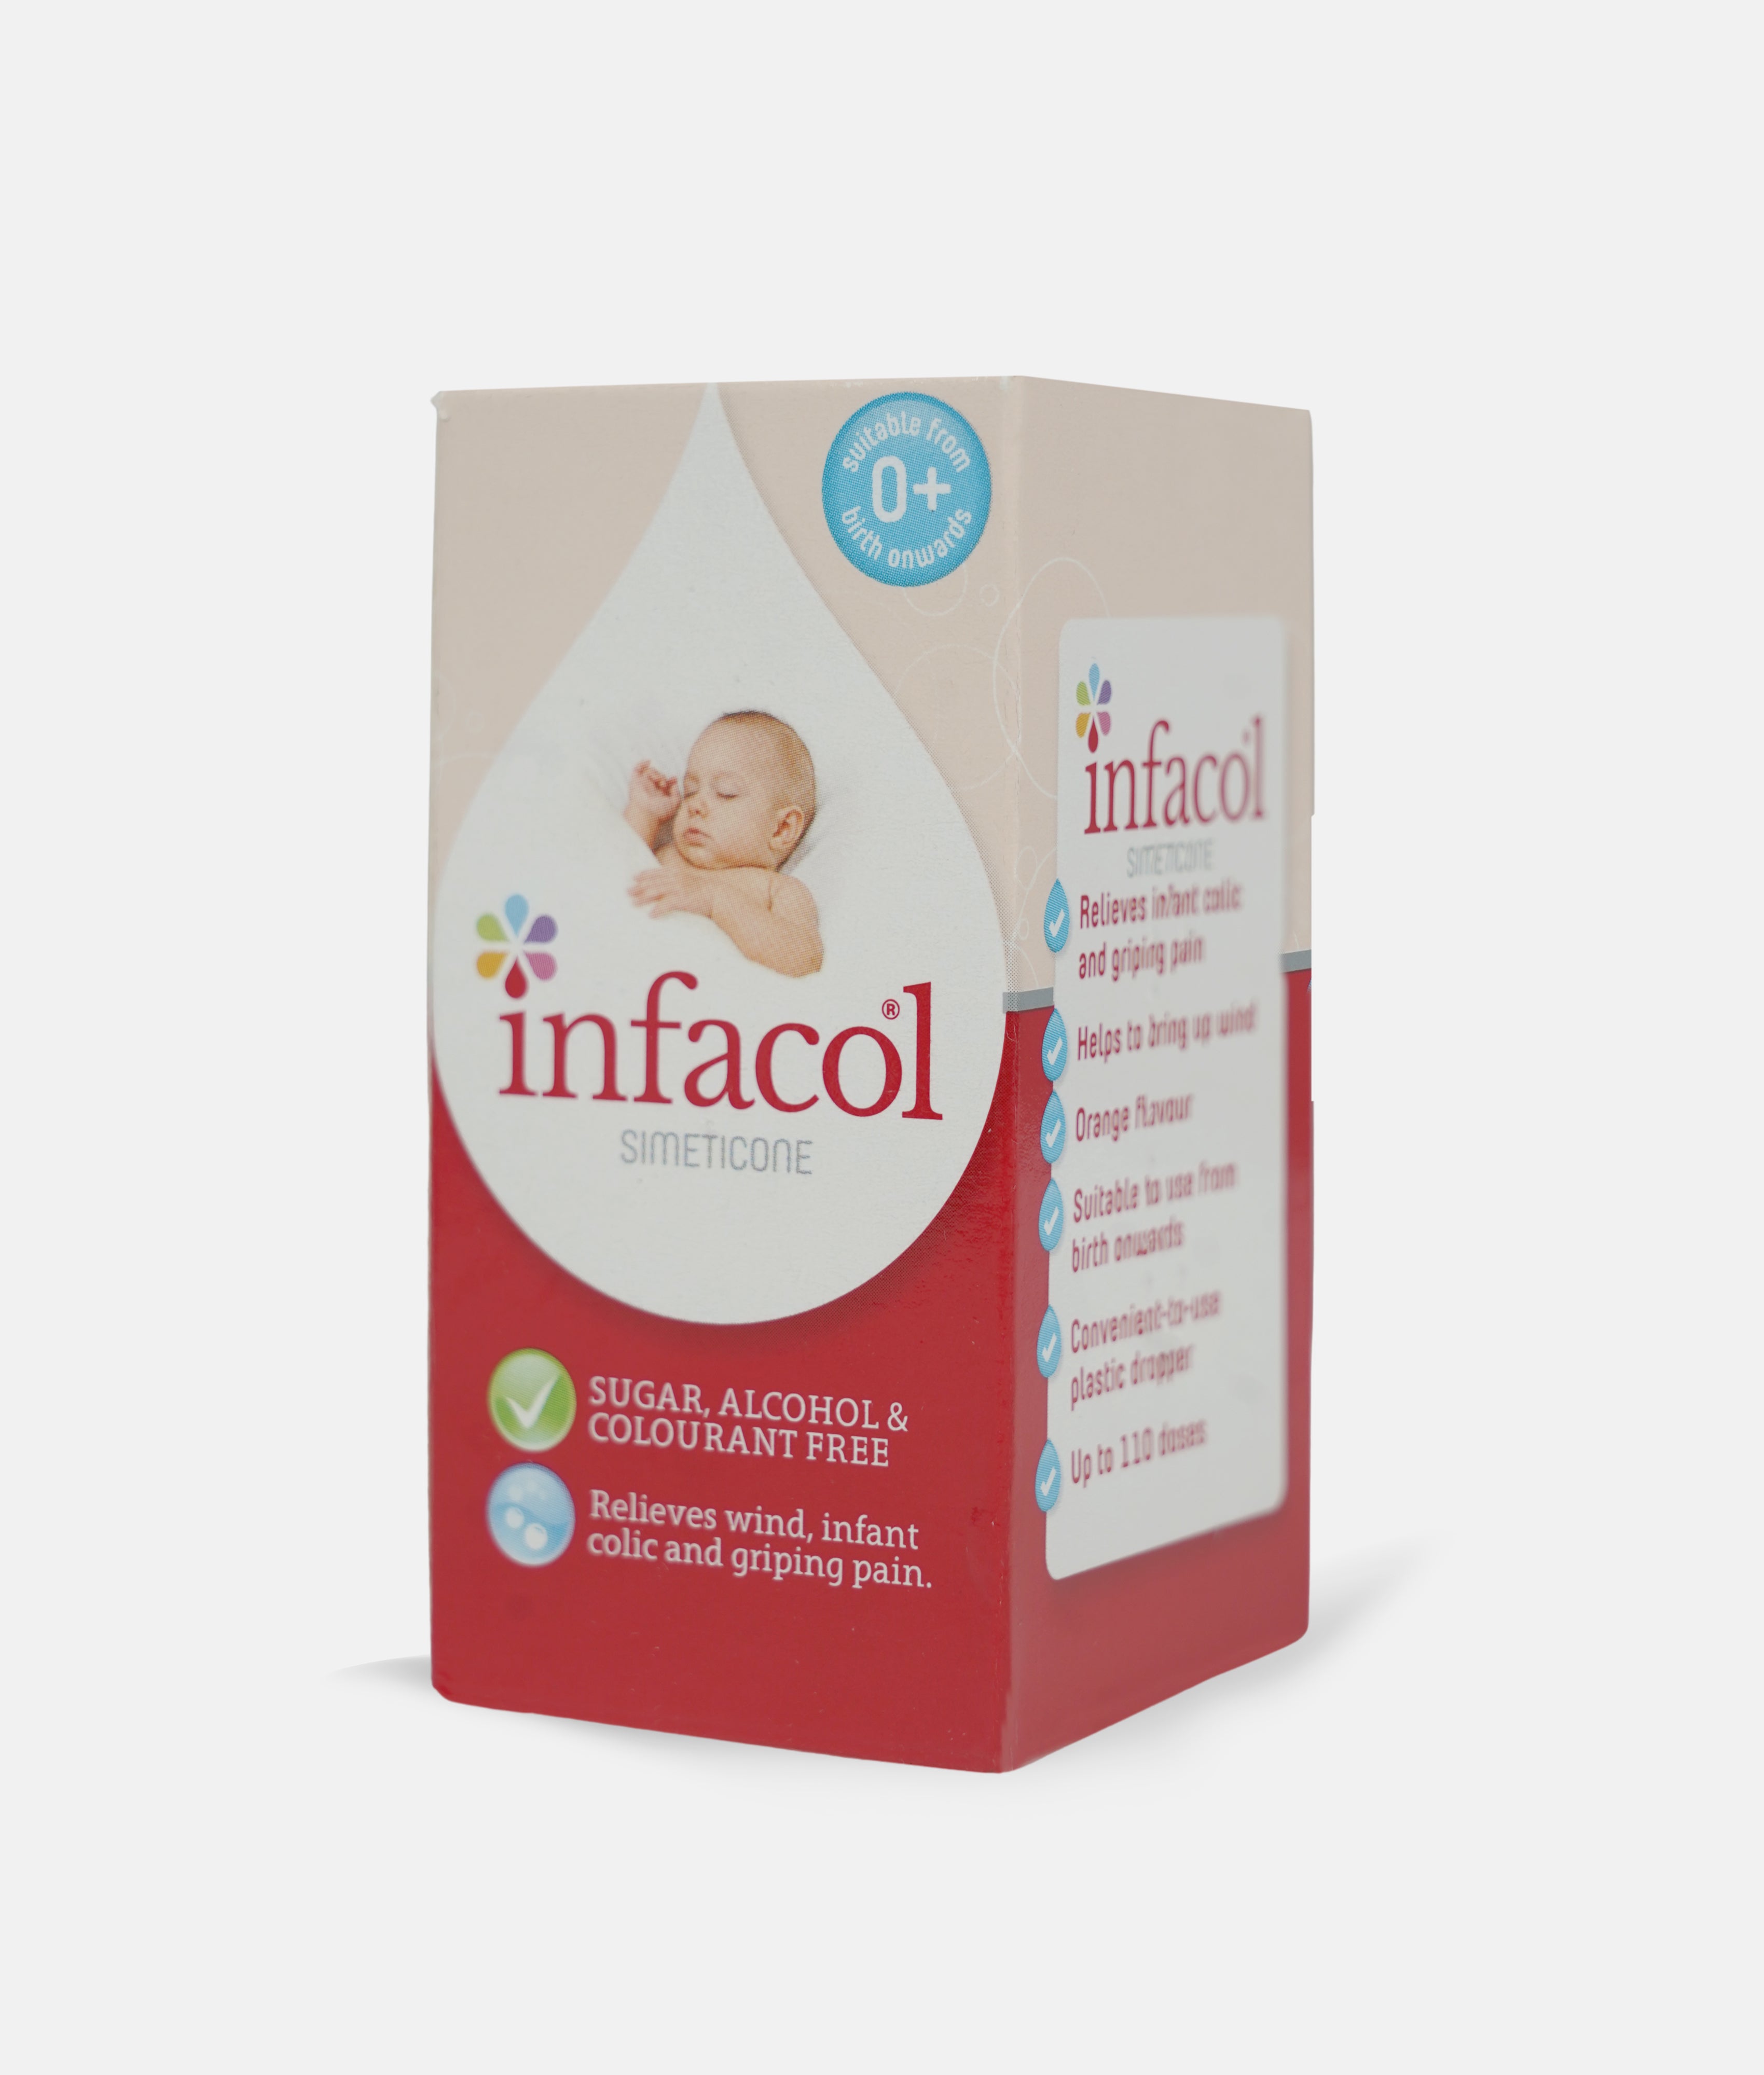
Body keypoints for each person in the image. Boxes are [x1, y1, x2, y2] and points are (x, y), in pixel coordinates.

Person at [624, 710, 823, 977]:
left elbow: (802, 959)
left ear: (781, 828)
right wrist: (645, 813)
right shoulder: (668, 855)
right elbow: (617, 866)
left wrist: (716, 901)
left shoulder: (777, 890)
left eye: (726, 793)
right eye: (690, 791)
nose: (695, 804)